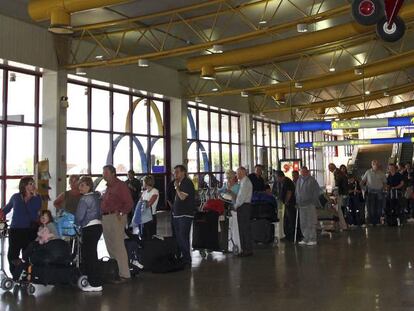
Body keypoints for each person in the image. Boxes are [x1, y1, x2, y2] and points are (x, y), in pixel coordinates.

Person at [1, 177, 41, 277]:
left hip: (30, 230)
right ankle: (14, 274)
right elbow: (6, 209)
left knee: (27, 254)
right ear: (24, 185)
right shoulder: (15, 197)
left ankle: (26, 275)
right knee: (12, 254)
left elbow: (35, 210)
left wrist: (35, 196)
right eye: (30, 183)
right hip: (15, 230)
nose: (33, 185)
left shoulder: (37, 198)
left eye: (33, 183)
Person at [101, 165, 133, 282]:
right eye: (103, 172)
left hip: (116, 217)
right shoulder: (107, 187)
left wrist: (122, 213)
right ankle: (115, 270)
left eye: (106, 172)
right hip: (106, 217)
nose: (103, 174)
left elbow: (129, 202)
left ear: (113, 173)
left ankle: (124, 274)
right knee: (110, 245)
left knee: (118, 245)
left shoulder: (120, 186)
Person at [76, 176, 103, 292]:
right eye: (79, 185)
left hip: (89, 228)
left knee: (89, 256)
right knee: (92, 254)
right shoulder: (96, 197)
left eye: (82, 185)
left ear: (88, 186)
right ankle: (93, 279)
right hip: (97, 227)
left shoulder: (84, 199)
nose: (80, 187)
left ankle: (95, 283)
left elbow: (79, 216)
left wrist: (77, 224)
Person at [172, 165, 195, 267]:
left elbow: (182, 197)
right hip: (177, 215)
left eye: (177, 172)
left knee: (183, 237)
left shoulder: (187, 183)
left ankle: (187, 259)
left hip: (184, 215)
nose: (175, 174)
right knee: (179, 238)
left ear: (183, 172)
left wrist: (177, 187)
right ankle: (182, 257)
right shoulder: (180, 183)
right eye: (174, 172)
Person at [295, 166, 320, 246]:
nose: (303, 173)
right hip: (301, 205)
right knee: (303, 222)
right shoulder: (299, 180)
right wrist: (297, 201)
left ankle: (312, 238)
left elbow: (316, 192)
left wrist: (313, 201)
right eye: (302, 172)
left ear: (307, 172)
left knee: (311, 221)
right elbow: (296, 192)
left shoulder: (312, 180)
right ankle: (306, 238)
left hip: (310, 204)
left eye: (305, 172)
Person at [275, 170, 299, 242]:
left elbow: (289, 192)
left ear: (280, 176)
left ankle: (292, 236)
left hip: (290, 204)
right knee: (287, 220)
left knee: (291, 220)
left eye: (276, 177)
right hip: (286, 204)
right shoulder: (282, 182)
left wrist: (286, 201)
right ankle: (288, 235)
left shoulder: (287, 182)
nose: (276, 179)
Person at [234, 167, 253, 257]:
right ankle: (245, 249)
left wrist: (235, 205)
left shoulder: (245, 183)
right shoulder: (243, 182)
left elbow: (241, 197)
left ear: (242, 173)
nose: (236, 175)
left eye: (237, 173)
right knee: (243, 228)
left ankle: (247, 250)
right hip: (244, 206)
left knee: (244, 228)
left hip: (244, 207)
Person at [361, 160, 387, 226]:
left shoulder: (381, 173)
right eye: (374, 164)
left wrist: (384, 189)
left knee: (379, 207)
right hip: (370, 192)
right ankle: (372, 222)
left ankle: (378, 221)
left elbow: (385, 182)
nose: (376, 165)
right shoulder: (368, 172)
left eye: (377, 164)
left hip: (379, 192)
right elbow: (363, 181)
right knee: (371, 208)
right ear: (372, 165)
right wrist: (364, 188)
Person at [328, 163, 348, 230]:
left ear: (332, 167)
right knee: (338, 210)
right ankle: (341, 225)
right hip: (340, 193)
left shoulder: (337, 173)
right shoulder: (339, 172)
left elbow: (337, 185)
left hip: (338, 194)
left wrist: (333, 193)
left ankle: (342, 226)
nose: (329, 169)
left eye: (329, 168)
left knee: (338, 210)